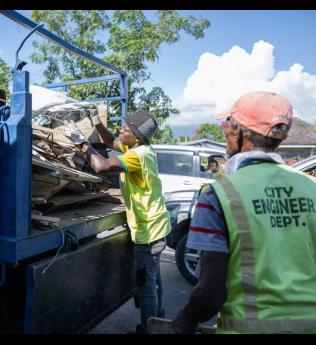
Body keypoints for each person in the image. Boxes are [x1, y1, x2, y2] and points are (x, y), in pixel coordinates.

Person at [171, 91, 316, 334]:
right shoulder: (311, 187)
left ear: (239, 131)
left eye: (226, 123)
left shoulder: (220, 194)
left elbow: (209, 295)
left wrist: (185, 320)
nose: (223, 130)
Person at [68, 105, 171, 334]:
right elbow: (109, 142)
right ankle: (158, 317)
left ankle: (148, 329)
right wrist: (96, 122)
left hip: (148, 230)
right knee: (154, 277)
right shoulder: (137, 146)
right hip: (157, 225)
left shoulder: (137, 155)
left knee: (146, 285)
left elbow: (101, 166)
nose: (121, 131)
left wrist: (82, 144)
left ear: (137, 136)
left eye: (125, 129)